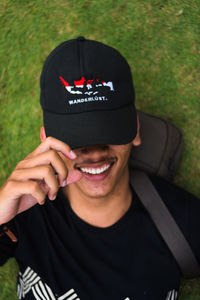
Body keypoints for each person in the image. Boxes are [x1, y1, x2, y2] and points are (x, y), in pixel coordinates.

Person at [0, 37, 199, 300]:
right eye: (78, 139)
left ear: (135, 130)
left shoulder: (183, 220)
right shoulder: (22, 212)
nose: (94, 153)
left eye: (108, 131)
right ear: (47, 139)